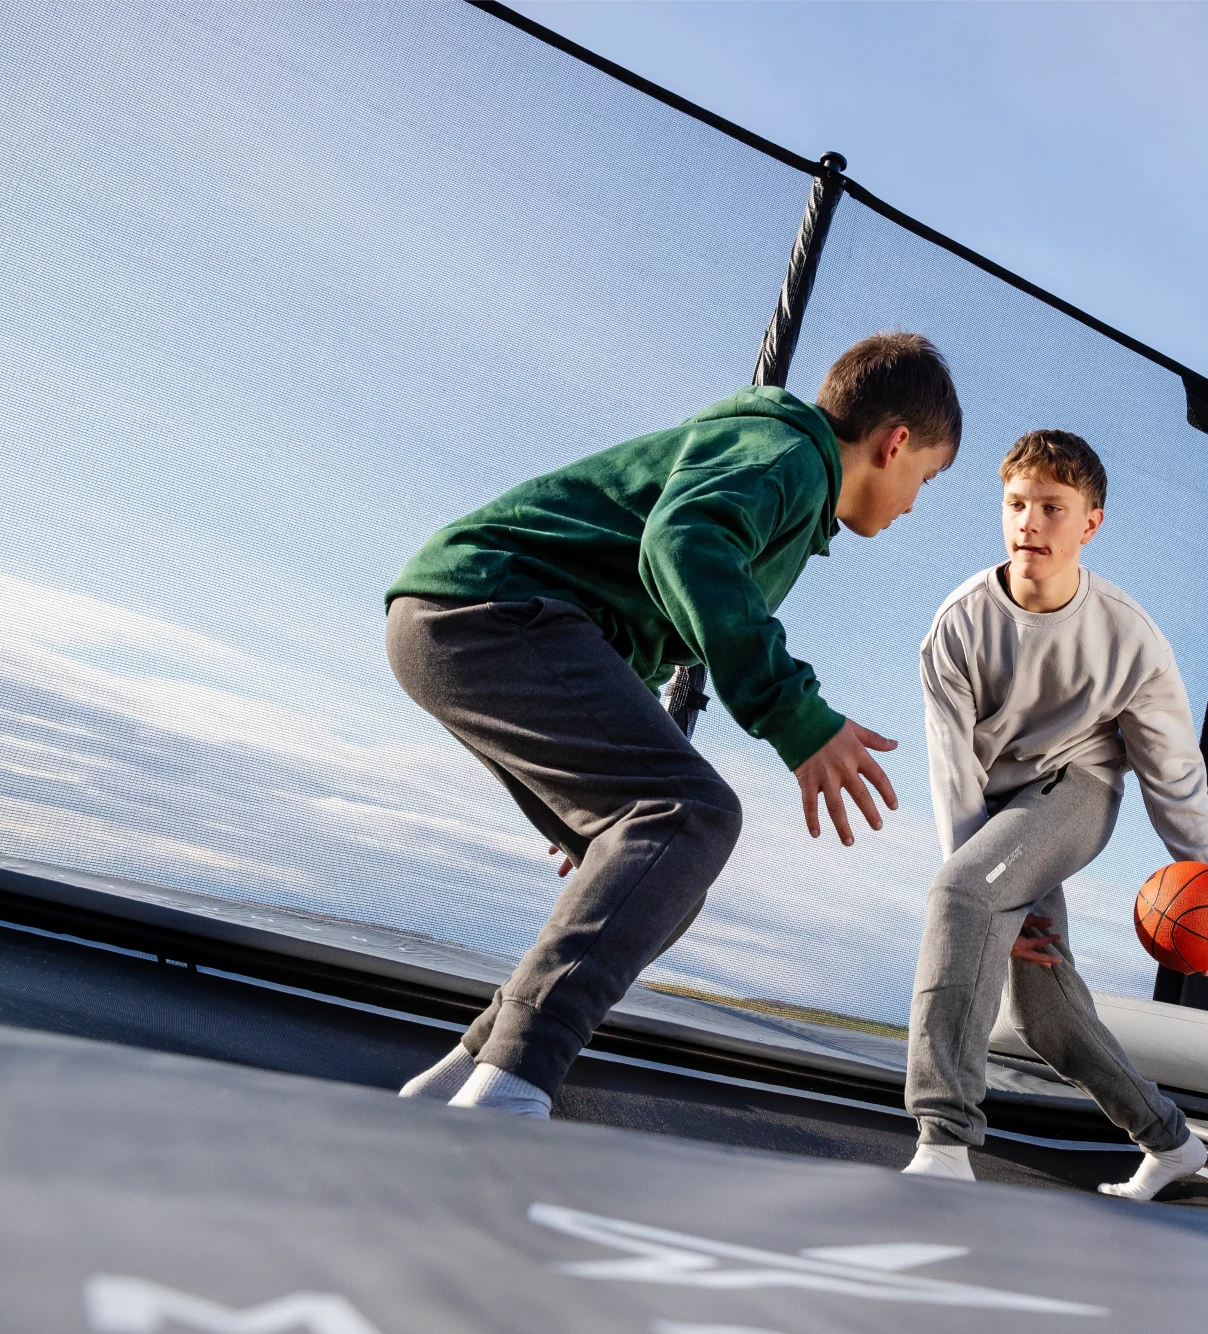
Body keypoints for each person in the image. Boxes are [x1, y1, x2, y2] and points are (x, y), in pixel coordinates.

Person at [386, 333, 962, 1118]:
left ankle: (467, 1072)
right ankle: (515, 1089)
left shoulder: (772, 463)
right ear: (895, 444)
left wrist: (601, 765)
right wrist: (796, 716)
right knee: (693, 815)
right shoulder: (786, 456)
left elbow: (636, 615)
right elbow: (685, 541)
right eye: (924, 479)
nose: (911, 504)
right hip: (490, 609)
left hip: (461, 620)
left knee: (662, 873)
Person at [904, 428, 1208, 1199]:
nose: (1030, 521)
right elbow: (953, 775)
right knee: (1044, 1011)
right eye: (1017, 504)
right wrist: (998, 890)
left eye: (1052, 508)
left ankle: (943, 1141)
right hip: (995, 812)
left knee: (959, 894)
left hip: (1080, 789)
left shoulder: (1130, 639)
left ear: (1090, 523)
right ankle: (1170, 1140)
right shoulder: (956, 627)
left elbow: (1174, 777)